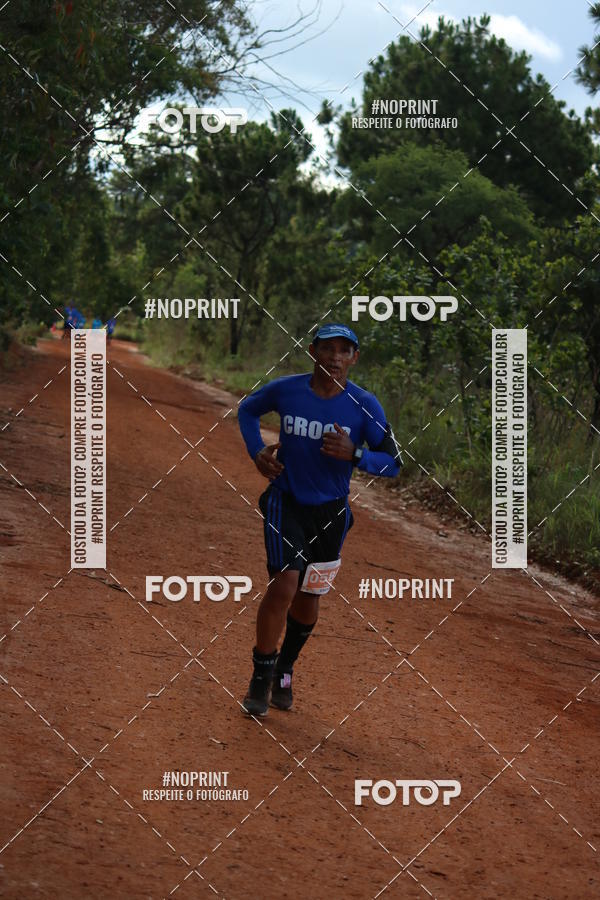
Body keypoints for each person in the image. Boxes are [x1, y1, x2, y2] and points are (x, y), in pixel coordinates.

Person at [237, 323, 402, 716]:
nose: (335, 358)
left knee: (309, 595)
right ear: (313, 351)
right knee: (285, 584)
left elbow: (394, 463)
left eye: (344, 351)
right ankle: (261, 675)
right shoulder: (286, 390)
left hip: (331, 513)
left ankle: (285, 669)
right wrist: (257, 450)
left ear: (354, 358)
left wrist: (355, 455)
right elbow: (247, 409)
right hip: (286, 501)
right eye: (328, 349)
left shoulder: (365, 405)